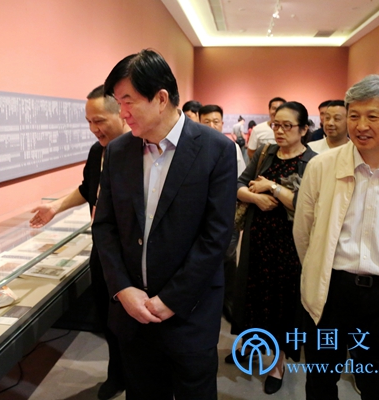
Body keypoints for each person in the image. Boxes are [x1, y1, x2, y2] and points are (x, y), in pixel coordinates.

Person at [93, 49, 236, 400]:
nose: (122, 113)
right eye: (118, 103)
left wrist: (170, 299)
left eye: (128, 102)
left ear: (160, 98)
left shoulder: (216, 149)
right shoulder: (118, 151)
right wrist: (123, 289)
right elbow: (105, 227)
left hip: (190, 314)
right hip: (132, 315)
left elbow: (216, 236)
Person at [294, 75, 379, 400]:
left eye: (373, 116)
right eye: (354, 115)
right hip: (329, 292)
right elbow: (304, 233)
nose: (361, 126)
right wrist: (318, 269)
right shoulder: (321, 167)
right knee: (320, 382)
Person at [28, 85, 129, 400]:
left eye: (99, 121)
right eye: (88, 122)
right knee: (107, 317)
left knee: (134, 322)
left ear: (121, 114)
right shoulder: (98, 151)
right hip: (102, 250)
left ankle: (140, 377)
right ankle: (118, 374)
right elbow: (88, 188)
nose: (93, 129)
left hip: (132, 253)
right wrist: (56, 207)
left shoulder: (139, 151)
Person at [229, 101, 317, 394]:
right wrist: (256, 198)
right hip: (258, 240)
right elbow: (238, 185)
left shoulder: (313, 162)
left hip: (290, 247)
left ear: (303, 129)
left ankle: (277, 364)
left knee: (282, 303)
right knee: (253, 296)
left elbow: (307, 205)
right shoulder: (266, 153)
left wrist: (272, 188)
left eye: (287, 126)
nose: (279, 131)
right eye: (276, 124)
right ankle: (252, 344)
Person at [199, 104, 246, 321]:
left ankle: (229, 307)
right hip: (198, 217)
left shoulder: (231, 147)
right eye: (206, 121)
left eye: (215, 121)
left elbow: (239, 181)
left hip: (225, 216)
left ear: (222, 123)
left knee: (226, 259)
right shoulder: (191, 147)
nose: (211, 125)